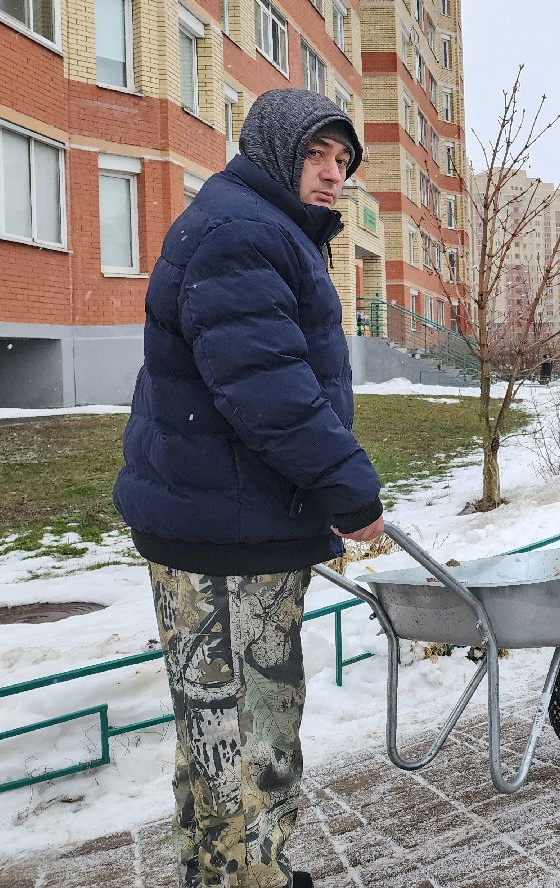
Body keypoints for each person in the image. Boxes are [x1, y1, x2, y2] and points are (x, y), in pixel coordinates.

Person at [114, 88, 386, 888]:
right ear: (273, 149)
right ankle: (253, 879)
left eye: (343, 162)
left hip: (214, 518)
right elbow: (268, 390)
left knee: (211, 730)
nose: (334, 175)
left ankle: (214, 875)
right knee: (256, 732)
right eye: (317, 156)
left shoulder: (249, 224)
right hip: (233, 535)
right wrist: (351, 491)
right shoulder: (244, 232)